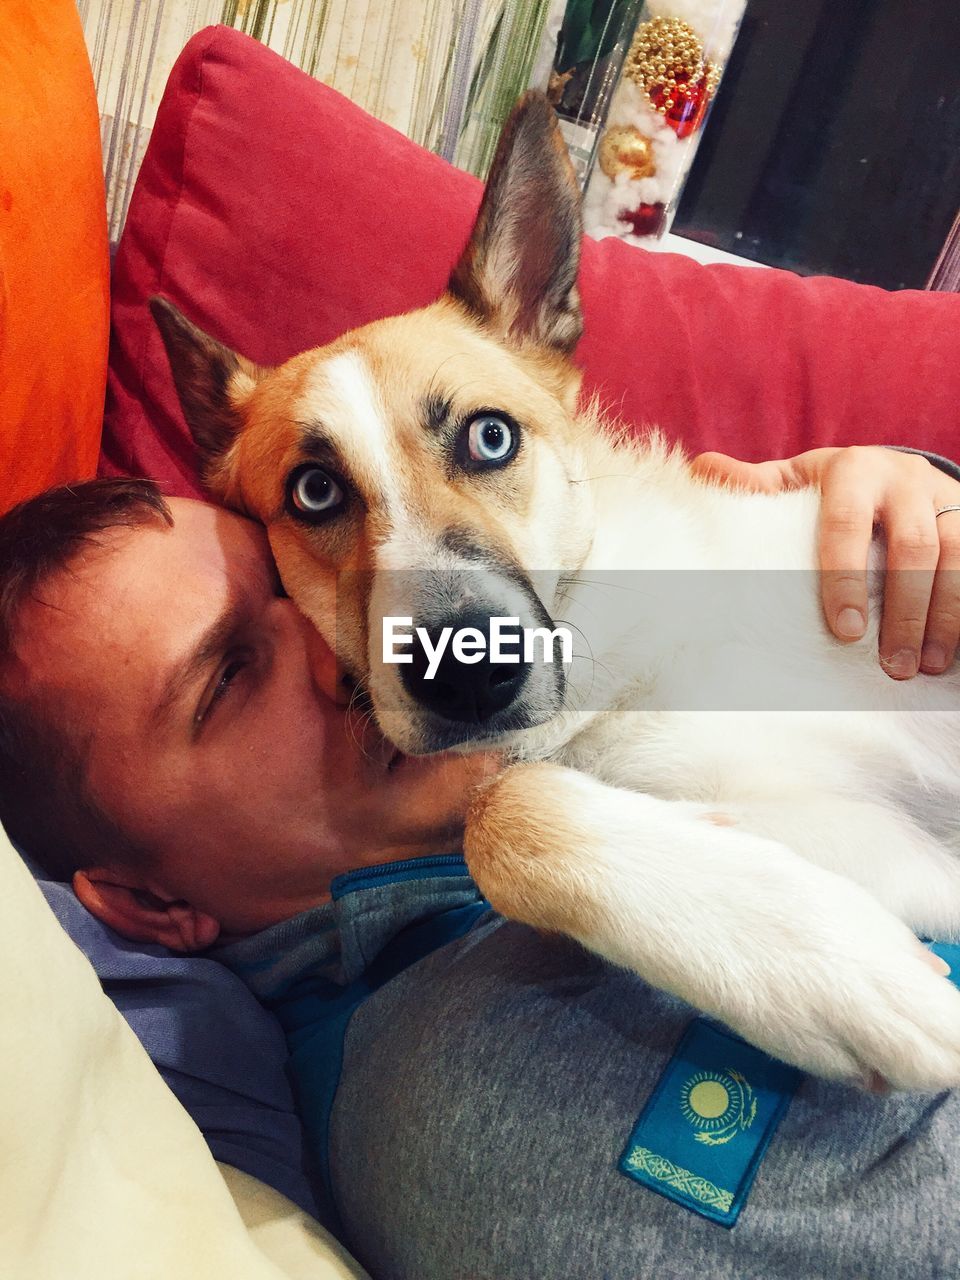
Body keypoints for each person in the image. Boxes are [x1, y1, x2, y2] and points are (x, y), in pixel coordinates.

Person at [2, 446, 959, 1279]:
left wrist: (906, 523)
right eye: (229, 679)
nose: (359, 638)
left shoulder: (549, 732)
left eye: (297, 586)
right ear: (148, 904)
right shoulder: (470, 1108)